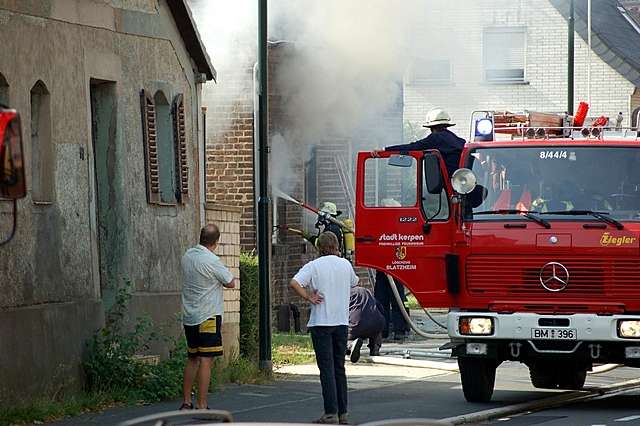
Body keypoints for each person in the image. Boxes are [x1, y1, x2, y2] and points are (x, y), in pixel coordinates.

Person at [289, 232, 359, 424]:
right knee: (339, 368)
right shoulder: (345, 264)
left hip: (321, 322)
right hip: (341, 322)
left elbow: (294, 282)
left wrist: (308, 296)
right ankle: (343, 412)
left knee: (326, 369)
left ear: (319, 247)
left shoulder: (314, 266)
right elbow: (355, 282)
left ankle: (330, 413)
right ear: (337, 245)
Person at [180, 224, 235, 410]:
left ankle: (186, 402)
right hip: (208, 316)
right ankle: (202, 405)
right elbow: (230, 282)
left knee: (192, 358)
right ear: (216, 242)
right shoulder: (212, 261)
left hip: (189, 316)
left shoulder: (187, 256)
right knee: (206, 360)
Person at [374, 107, 466, 178]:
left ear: (432, 128)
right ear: (446, 125)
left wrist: (385, 150)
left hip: (452, 182)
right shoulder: (458, 140)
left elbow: (413, 147)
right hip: (461, 182)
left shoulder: (436, 138)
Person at [347, 286, 385, 362]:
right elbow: (380, 308)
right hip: (377, 324)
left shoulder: (344, 293)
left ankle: (350, 345)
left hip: (356, 325)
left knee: (339, 333)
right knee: (376, 324)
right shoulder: (366, 291)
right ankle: (375, 346)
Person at [374, 271, 410, 342]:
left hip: (395, 270)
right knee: (381, 302)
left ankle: (399, 330)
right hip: (381, 270)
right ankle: (382, 330)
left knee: (398, 302)